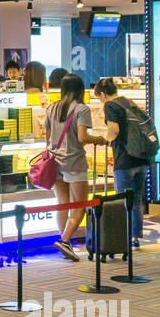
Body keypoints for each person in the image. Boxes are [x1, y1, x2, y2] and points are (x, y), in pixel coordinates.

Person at [44, 74, 106, 261]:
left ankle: (65, 241)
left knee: (63, 204)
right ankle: (64, 240)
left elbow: (47, 139)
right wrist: (100, 139)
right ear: (80, 90)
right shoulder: (81, 109)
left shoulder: (51, 108)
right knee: (79, 204)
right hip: (74, 162)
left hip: (54, 162)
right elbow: (82, 138)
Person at [94, 77, 146, 247]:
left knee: (122, 199)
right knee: (136, 199)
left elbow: (114, 129)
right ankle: (134, 238)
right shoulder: (127, 101)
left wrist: (106, 141)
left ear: (102, 94)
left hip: (124, 159)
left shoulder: (110, 105)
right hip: (141, 157)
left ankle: (122, 237)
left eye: (99, 97)